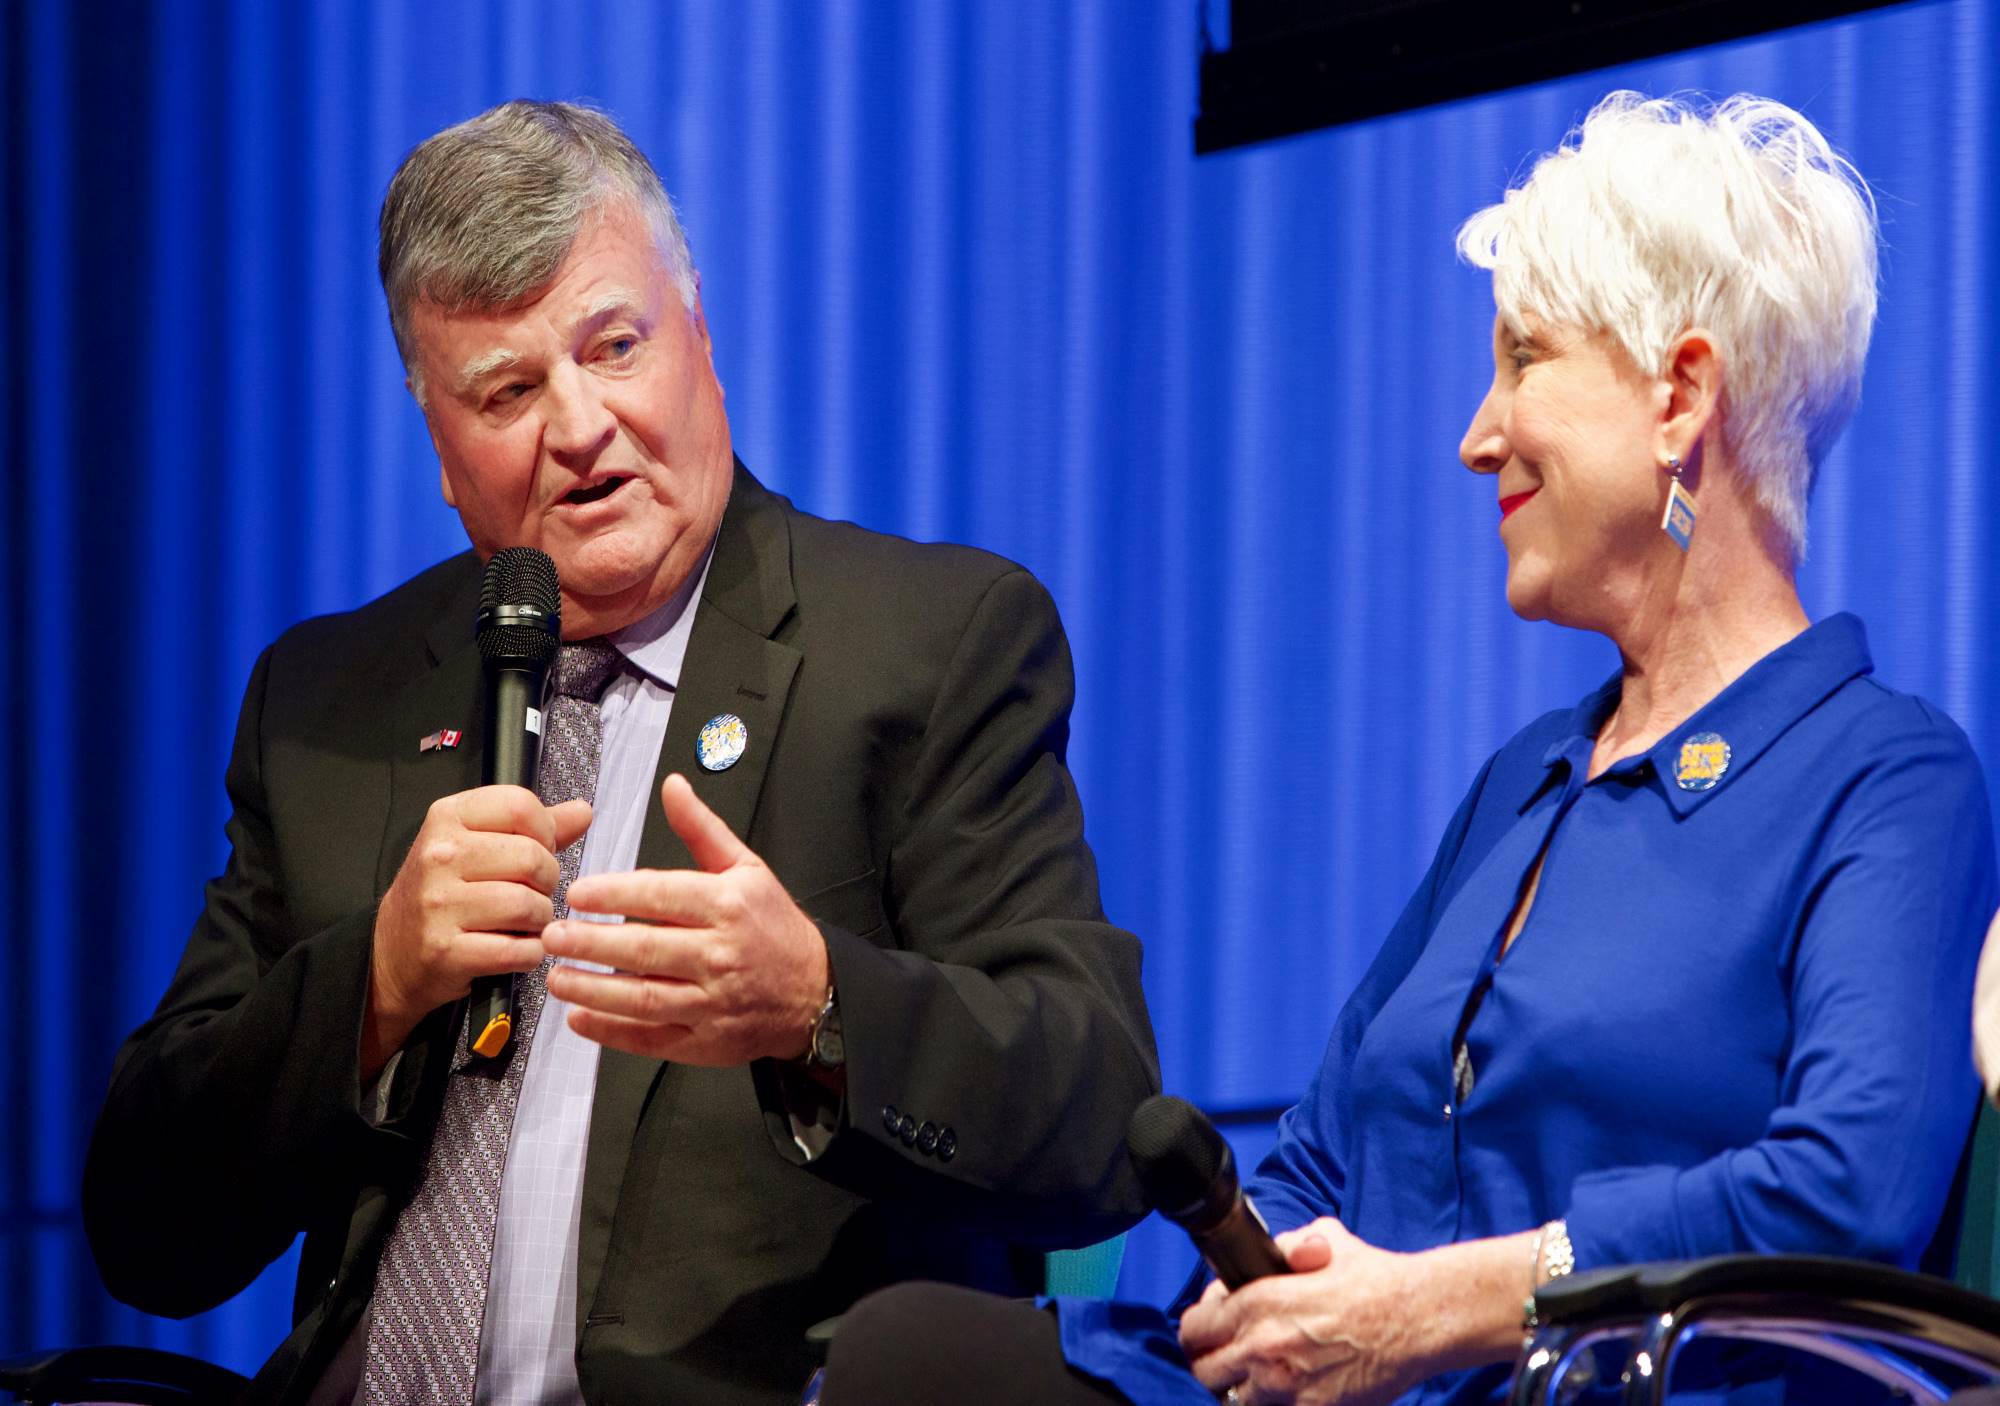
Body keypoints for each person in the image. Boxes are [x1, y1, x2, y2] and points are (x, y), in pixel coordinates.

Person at [818, 91, 1998, 1406]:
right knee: (907, 1352)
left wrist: (1430, 1310)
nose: (1477, 433)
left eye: (1525, 358)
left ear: (1680, 395)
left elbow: (1846, 1191)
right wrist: (1265, 1284)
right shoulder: (1529, 779)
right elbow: (1318, 1153)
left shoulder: (1889, 778)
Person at [81, 100, 1161, 1406]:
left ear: (701, 337)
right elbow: (145, 1223)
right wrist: (370, 985)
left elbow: (1099, 1112)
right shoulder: (330, 701)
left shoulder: (927, 647)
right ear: (438, 447)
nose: (580, 427)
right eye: (511, 390)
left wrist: (817, 1003)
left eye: (615, 345)